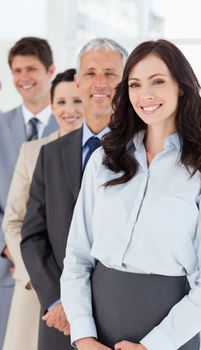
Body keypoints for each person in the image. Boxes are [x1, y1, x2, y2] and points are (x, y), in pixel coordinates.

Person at [61, 38, 201, 350]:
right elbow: (77, 257)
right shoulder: (105, 159)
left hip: (171, 335)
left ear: (183, 86)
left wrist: (155, 345)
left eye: (158, 81)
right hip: (97, 330)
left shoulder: (197, 169)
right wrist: (84, 337)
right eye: (135, 84)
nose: (145, 95)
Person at [20, 38, 128, 350]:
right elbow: (33, 236)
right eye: (90, 73)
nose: (100, 83)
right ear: (77, 81)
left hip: (117, 319)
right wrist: (59, 299)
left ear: (125, 82)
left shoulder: (143, 153)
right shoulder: (50, 155)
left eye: (110, 74)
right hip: (60, 320)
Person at [0, 37, 58, 350]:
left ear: (50, 70)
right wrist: (10, 246)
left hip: (51, 269)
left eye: (31, 68)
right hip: (2, 267)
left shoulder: (69, 126)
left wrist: (35, 254)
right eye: (17, 70)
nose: (24, 77)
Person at [2, 68, 83, 350]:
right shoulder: (34, 151)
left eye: (77, 101)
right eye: (61, 102)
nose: (69, 110)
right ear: (51, 106)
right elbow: (14, 221)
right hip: (37, 286)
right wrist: (39, 275)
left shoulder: (104, 152)